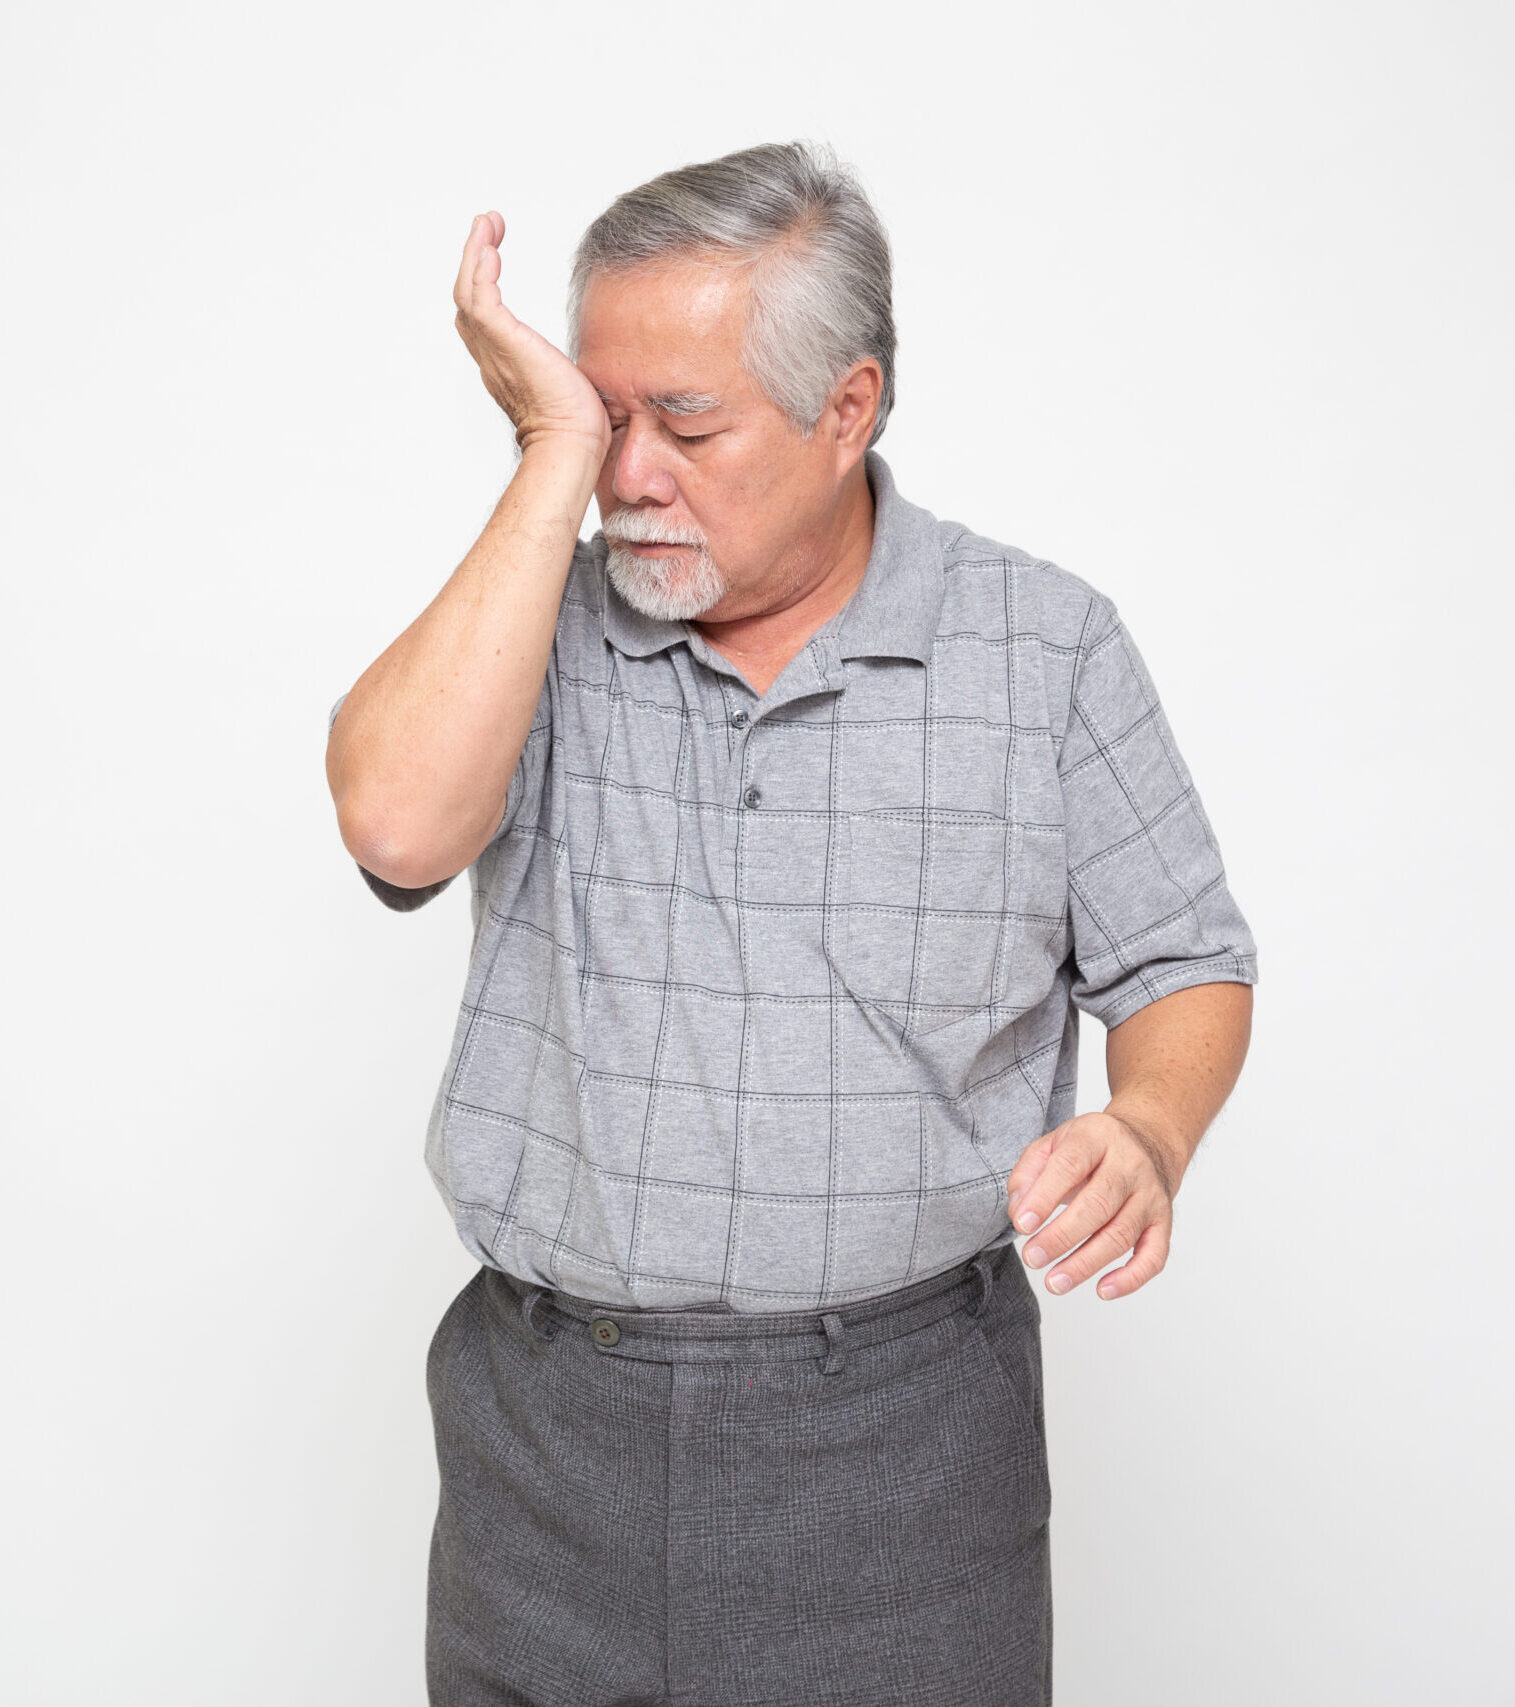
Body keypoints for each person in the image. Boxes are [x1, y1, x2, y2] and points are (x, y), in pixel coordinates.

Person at [324, 140, 1257, 1707]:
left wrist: (1151, 1128)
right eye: (602, 414)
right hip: (548, 1441)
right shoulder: (532, 624)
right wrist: (547, 461)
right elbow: (397, 823)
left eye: (684, 422)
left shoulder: (1048, 649)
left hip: (901, 1443)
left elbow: (1185, 958)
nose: (633, 475)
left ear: (850, 410)